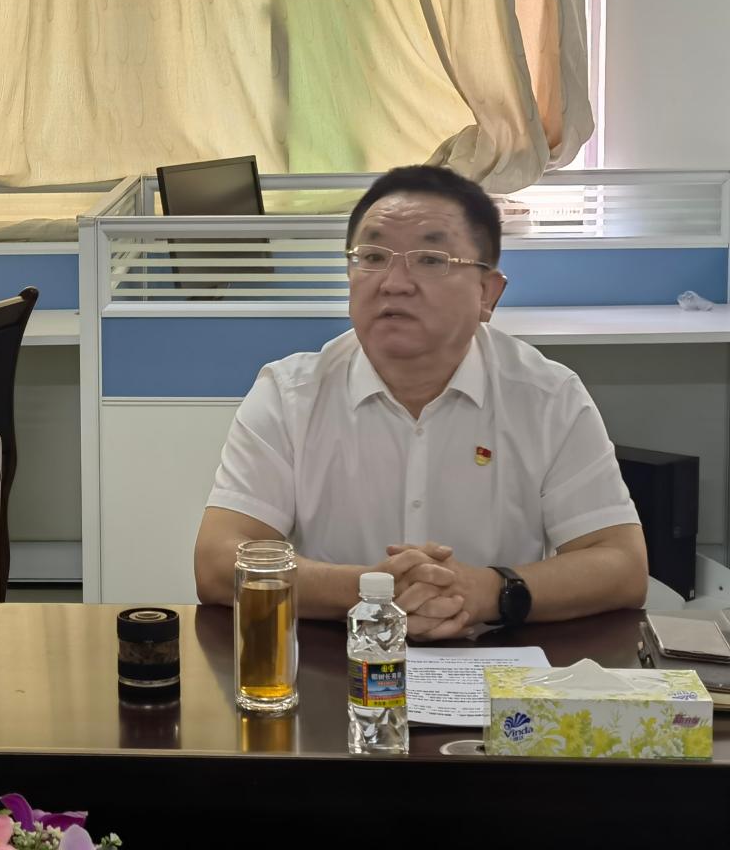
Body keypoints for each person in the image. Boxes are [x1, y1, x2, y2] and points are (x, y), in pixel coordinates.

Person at [194, 165, 648, 639]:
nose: (394, 283)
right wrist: (372, 591)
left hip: (498, 662)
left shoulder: (548, 397)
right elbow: (217, 562)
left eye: (430, 259)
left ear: (487, 293)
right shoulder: (289, 395)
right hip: (336, 659)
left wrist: (486, 591)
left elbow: (622, 565)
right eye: (372, 257)